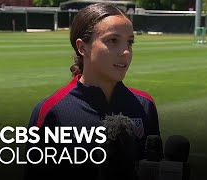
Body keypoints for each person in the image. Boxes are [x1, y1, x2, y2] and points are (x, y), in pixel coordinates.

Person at [25, 3, 162, 180]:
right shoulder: (52, 111)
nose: (126, 52)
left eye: (129, 42)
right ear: (83, 48)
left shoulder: (145, 105)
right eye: (113, 40)